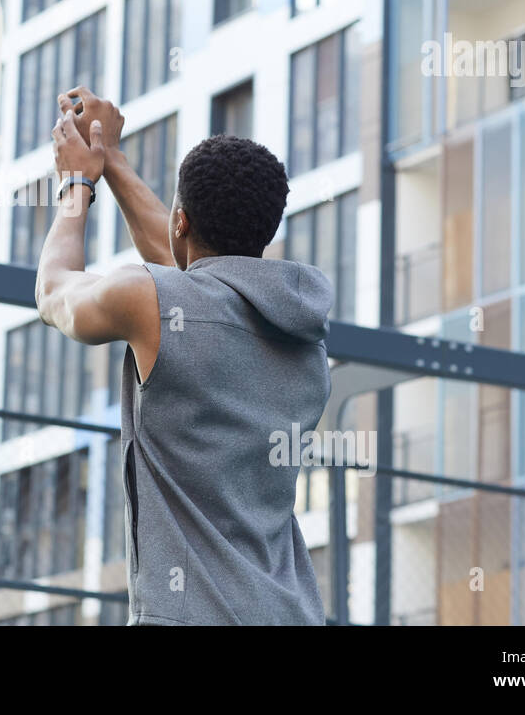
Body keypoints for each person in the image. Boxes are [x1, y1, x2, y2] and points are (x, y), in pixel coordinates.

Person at [35, 87, 333, 625]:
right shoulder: (305, 343)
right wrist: (114, 160)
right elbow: (193, 276)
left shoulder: (151, 301)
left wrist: (77, 182)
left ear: (181, 219)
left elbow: (55, 292)